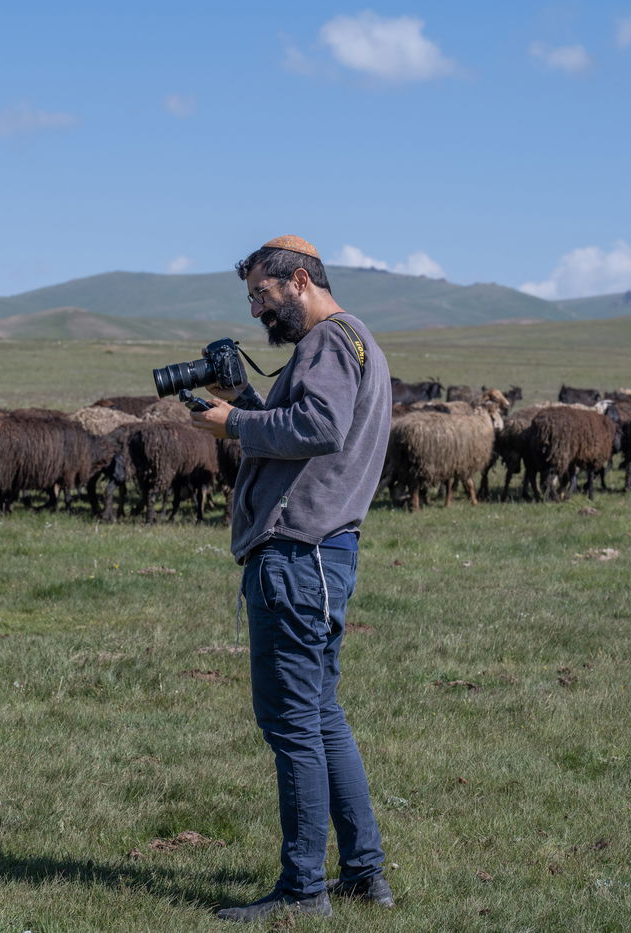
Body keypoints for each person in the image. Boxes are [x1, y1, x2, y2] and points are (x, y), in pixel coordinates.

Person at [189, 235, 395, 923]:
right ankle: (364, 873)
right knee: (320, 713)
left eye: (260, 295)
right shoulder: (352, 341)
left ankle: (304, 889)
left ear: (299, 280)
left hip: (298, 556)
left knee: (292, 723)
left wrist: (236, 422)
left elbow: (320, 424)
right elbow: (302, 425)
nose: (256, 311)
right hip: (321, 555)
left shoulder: (331, 340)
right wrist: (242, 399)